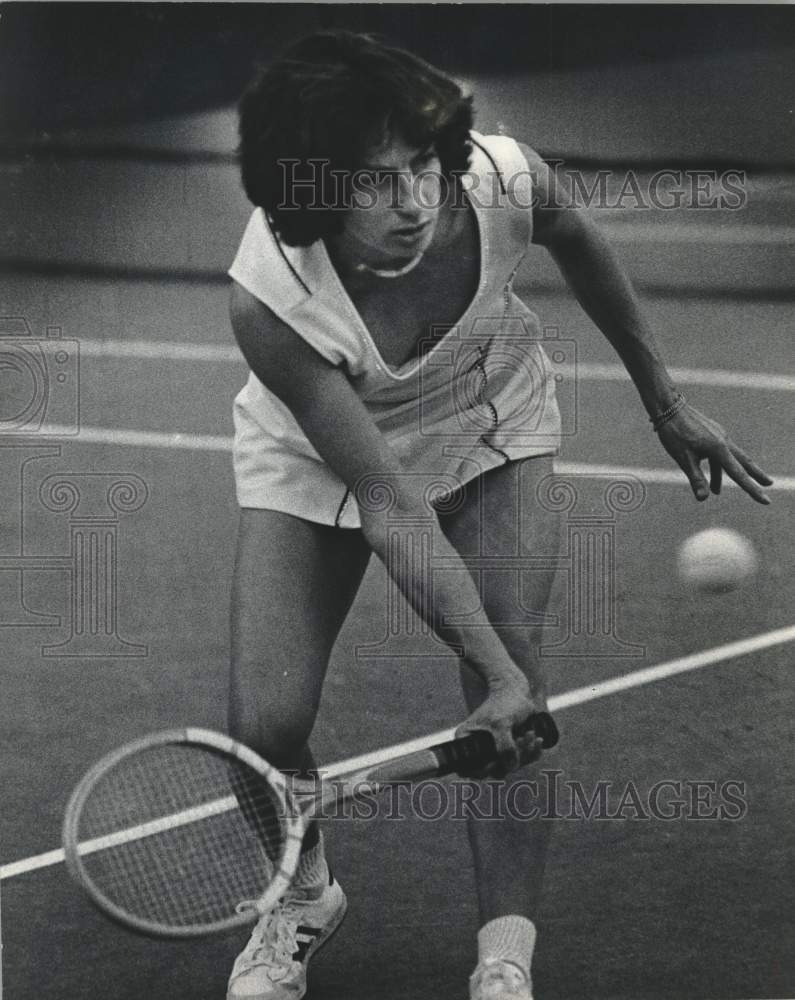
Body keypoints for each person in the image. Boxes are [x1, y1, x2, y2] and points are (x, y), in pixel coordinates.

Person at [224, 29, 771, 1000]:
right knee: (265, 717)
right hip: (321, 449)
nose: (414, 202)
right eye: (372, 181)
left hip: (489, 417)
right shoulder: (271, 300)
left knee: (508, 657)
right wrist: (503, 673)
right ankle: (302, 893)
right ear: (310, 192)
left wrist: (666, 400)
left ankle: (503, 955)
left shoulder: (498, 179)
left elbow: (579, 237)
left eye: (422, 166)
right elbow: (389, 503)